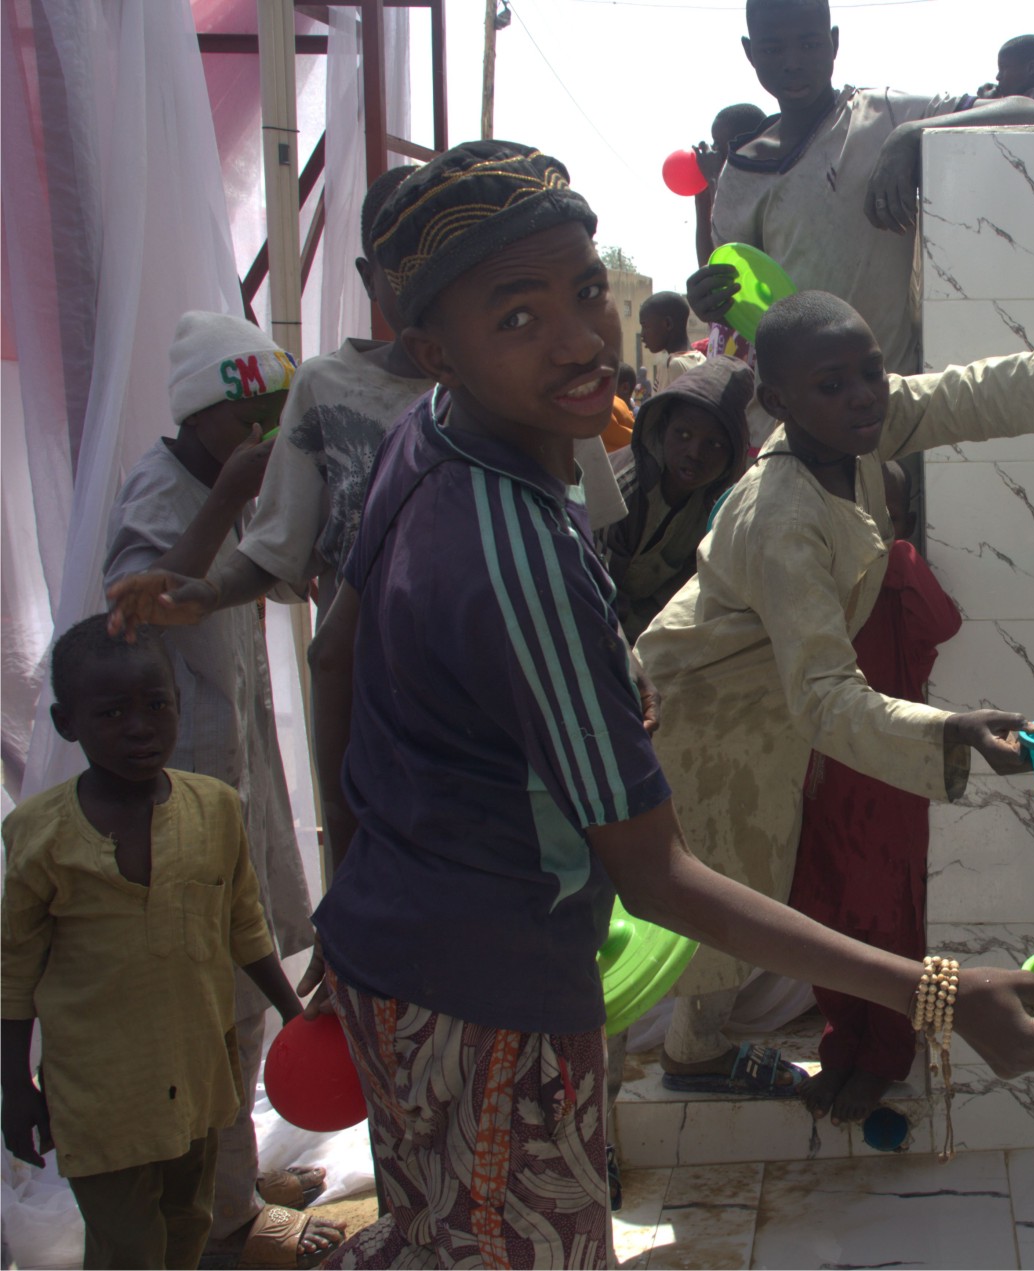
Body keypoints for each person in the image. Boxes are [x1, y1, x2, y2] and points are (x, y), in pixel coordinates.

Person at [298, 139, 1034, 1264]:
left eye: (582, 291)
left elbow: (337, 656)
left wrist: (348, 881)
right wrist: (946, 993)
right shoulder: (518, 552)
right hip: (488, 995)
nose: (578, 338)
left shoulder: (431, 444)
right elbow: (657, 875)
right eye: (516, 317)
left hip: (397, 938)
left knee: (435, 1233)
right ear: (433, 347)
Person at [637, 233, 1034, 1095]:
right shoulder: (783, 514)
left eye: (870, 371)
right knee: (718, 874)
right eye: (832, 383)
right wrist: (949, 730)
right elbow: (821, 697)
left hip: (756, 688)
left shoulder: (849, 431)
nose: (862, 397)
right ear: (775, 401)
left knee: (743, 868)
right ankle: (675, 1057)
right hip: (701, 707)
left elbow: (969, 393)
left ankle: (694, 1047)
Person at [102, 167, 627, 642]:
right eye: (401, 266)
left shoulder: (547, 385)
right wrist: (212, 591)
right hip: (377, 695)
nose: (422, 282)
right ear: (368, 275)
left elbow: (587, 544)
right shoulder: (326, 390)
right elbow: (279, 549)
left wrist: (615, 650)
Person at [98, 312, 344, 1264]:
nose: (265, 438)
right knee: (215, 1006)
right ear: (204, 420)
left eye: (278, 418)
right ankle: (231, 1223)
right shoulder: (166, 493)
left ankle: (230, 1180)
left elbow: (275, 577)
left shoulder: (230, 480)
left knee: (242, 989)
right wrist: (229, 500)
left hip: (234, 774)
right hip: (182, 790)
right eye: (250, 422)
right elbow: (133, 608)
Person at [2, 617, 306, 1270]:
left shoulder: (214, 808)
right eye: (111, 712)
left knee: (186, 1227)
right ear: (66, 722)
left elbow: (244, 924)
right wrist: (15, 1084)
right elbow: (14, 970)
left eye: (157, 704)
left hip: (196, 1079)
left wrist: (292, 1010)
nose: (140, 726)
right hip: (98, 1095)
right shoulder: (40, 835)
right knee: (129, 1250)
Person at [688, 0, 1034, 377]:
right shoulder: (741, 173)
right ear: (750, 52)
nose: (792, 61)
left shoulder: (884, 116)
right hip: (800, 412)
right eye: (772, 48)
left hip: (891, 399)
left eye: (809, 44)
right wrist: (708, 299)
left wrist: (911, 136)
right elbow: (740, 291)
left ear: (834, 44)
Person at [789, 461, 961, 1122]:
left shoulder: (894, 574)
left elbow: (941, 623)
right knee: (822, 908)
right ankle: (841, 1046)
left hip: (888, 776)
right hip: (820, 770)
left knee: (887, 916)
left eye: (873, 508)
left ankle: (886, 1053)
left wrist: (888, 554)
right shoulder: (810, 573)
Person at [601, 355, 754, 640]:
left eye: (714, 444)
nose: (695, 453)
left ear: (732, 453)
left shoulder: (713, 506)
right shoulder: (624, 492)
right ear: (663, 426)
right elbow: (598, 599)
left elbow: (683, 593)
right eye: (683, 434)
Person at [694, 102, 770, 267]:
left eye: (720, 148)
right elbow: (709, 268)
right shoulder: (721, 191)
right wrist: (701, 202)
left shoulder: (767, 188)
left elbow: (732, 252)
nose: (714, 154)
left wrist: (715, 179)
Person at [976, 34, 1034, 117]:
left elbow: (1010, 116)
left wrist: (986, 102)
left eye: (1004, 68)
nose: (998, 77)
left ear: (1031, 68)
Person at [639, 291, 706, 389]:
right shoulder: (703, 359)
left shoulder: (673, 365)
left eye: (645, 326)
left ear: (667, 324)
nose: (642, 335)